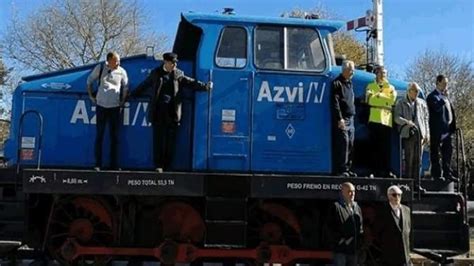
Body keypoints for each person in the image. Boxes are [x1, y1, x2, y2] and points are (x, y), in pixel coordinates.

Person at [131, 52, 212, 172]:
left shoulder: (178, 74)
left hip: (172, 113)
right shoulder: (156, 73)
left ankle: (167, 166)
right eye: (172, 63)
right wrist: (132, 94)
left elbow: (190, 82)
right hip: (158, 112)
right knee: (158, 141)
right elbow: (145, 85)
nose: (174, 65)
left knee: (170, 141)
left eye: (175, 63)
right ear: (166, 62)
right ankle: (158, 165)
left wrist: (205, 86)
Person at [86, 51, 128, 171]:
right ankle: (98, 164)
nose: (118, 63)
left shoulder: (122, 71)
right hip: (101, 106)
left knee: (115, 137)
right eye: (116, 60)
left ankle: (114, 165)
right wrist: (91, 96)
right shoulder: (99, 68)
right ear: (109, 60)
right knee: (100, 135)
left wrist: (123, 101)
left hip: (115, 108)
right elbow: (89, 81)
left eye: (119, 60)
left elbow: (125, 86)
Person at [365, 66, 397, 178]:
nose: (383, 75)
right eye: (381, 73)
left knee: (386, 148)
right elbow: (369, 100)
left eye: (385, 73)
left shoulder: (391, 87)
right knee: (374, 147)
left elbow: (392, 100)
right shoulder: (370, 86)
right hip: (374, 119)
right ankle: (373, 171)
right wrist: (384, 99)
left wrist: (378, 95)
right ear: (377, 74)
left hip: (386, 120)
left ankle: (386, 171)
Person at [394, 82, 430, 180]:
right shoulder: (401, 102)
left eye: (418, 91)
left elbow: (426, 119)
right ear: (409, 91)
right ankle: (408, 182)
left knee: (419, 160)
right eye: (415, 91)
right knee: (409, 159)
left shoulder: (422, 103)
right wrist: (406, 122)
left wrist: (427, 133)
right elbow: (396, 118)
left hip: (420, 134)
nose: (417, 93)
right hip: (408, 134)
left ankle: (417, 183)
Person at [427, 75, 457, 182]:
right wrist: (443, 99)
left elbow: (450, 111)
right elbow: (436, 108)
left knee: (448, 152)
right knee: (435, 153)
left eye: (447, 83)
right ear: (438, 82)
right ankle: (436, 175)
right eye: (444, 83)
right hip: (437, 131)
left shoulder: (446, 97)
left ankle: (447, 173)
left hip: (447, 130)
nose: (446, 86)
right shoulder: (432, 96)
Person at [326, 182, 363, 266]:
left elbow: (360, 226)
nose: (352, 194)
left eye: (353, 191)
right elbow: (330, 227)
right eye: (349, 191)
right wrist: (341, 240)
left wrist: (359, 242)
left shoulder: (357, 207)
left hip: (353, 249)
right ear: (342, 192)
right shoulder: (336, 207)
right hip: (340, 250)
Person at [332, 60, 357, 177]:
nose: (353, 72)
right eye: (351, 69)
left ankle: (348, 168)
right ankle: (341, 170)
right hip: (343, 119)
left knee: (351, 143)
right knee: (343, 143)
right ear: (345, 70)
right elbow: (335, 102)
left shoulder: (350, 83)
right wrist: (339, 118)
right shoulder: (337, 83)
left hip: (351, 118)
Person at [375, 185, 411, 266]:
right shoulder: (383, 212)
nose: (397, 197)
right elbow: (377, 231)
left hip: (404, 256)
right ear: (389, 196)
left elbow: (408, 230)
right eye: (394, 195)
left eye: (399, 195)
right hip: (389, 257)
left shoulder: (406, 210)